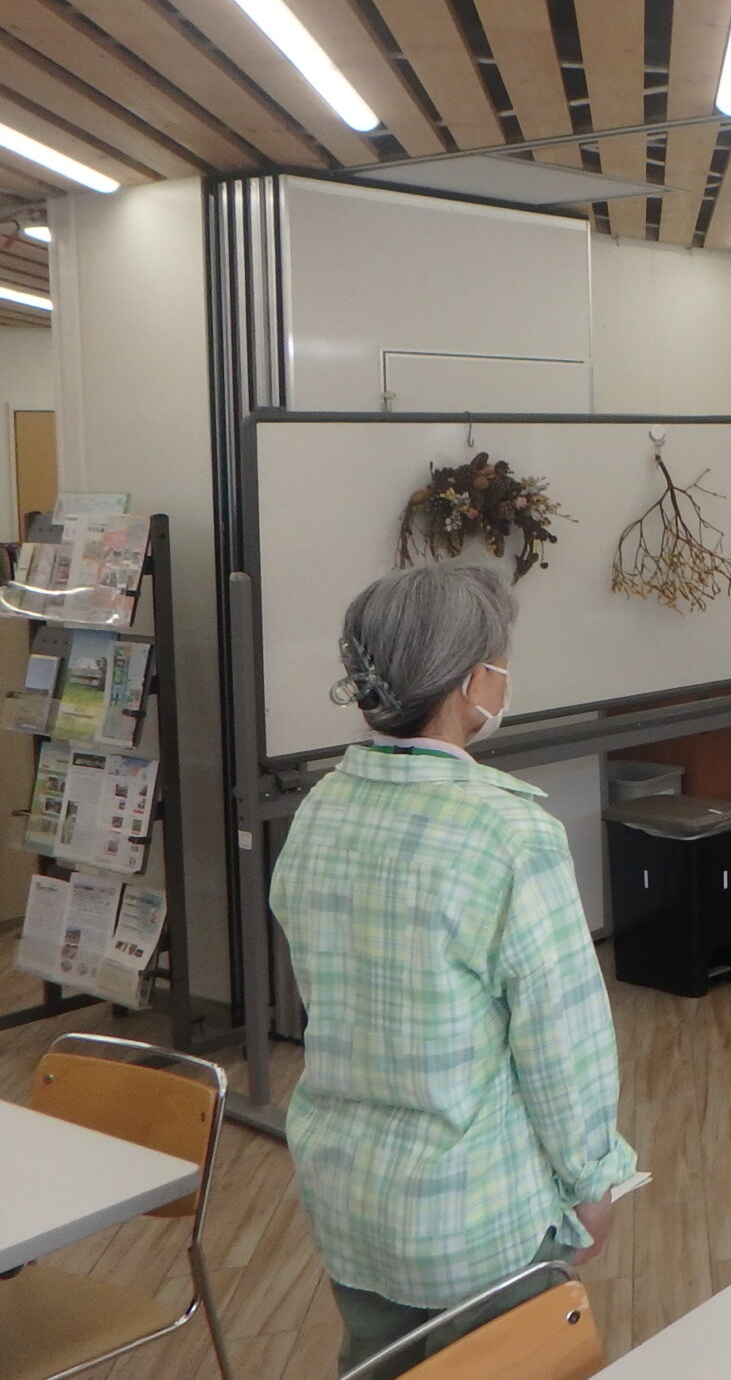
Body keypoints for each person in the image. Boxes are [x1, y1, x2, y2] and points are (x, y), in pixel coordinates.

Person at [272, 564, 637, 1378]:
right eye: (500, 661)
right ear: (472, 681)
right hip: (478, 1214)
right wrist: (593, 1180)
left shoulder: (320, 809)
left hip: (347, 1195)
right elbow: (562, 1040)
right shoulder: (510, 832)